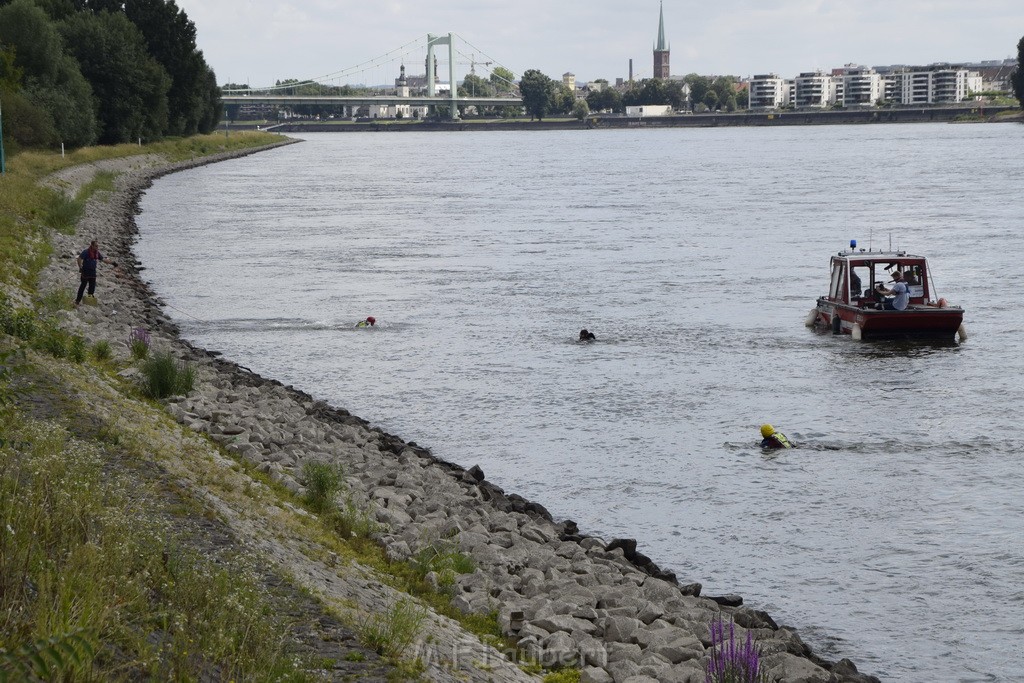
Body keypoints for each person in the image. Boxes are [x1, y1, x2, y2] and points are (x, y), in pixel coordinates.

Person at [75, 240, 111, 305]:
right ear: (92, 246)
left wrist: (112, 263)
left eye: (98, 246)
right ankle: (77, 301)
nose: (97, 247)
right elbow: (79, 259)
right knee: (82, 286)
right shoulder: (86, 252)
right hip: (85, 272)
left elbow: (103, 259)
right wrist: (80, 267)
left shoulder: (97, 253)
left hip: (92, 272)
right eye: (96, 246)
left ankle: (89, 302)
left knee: (92, 287)